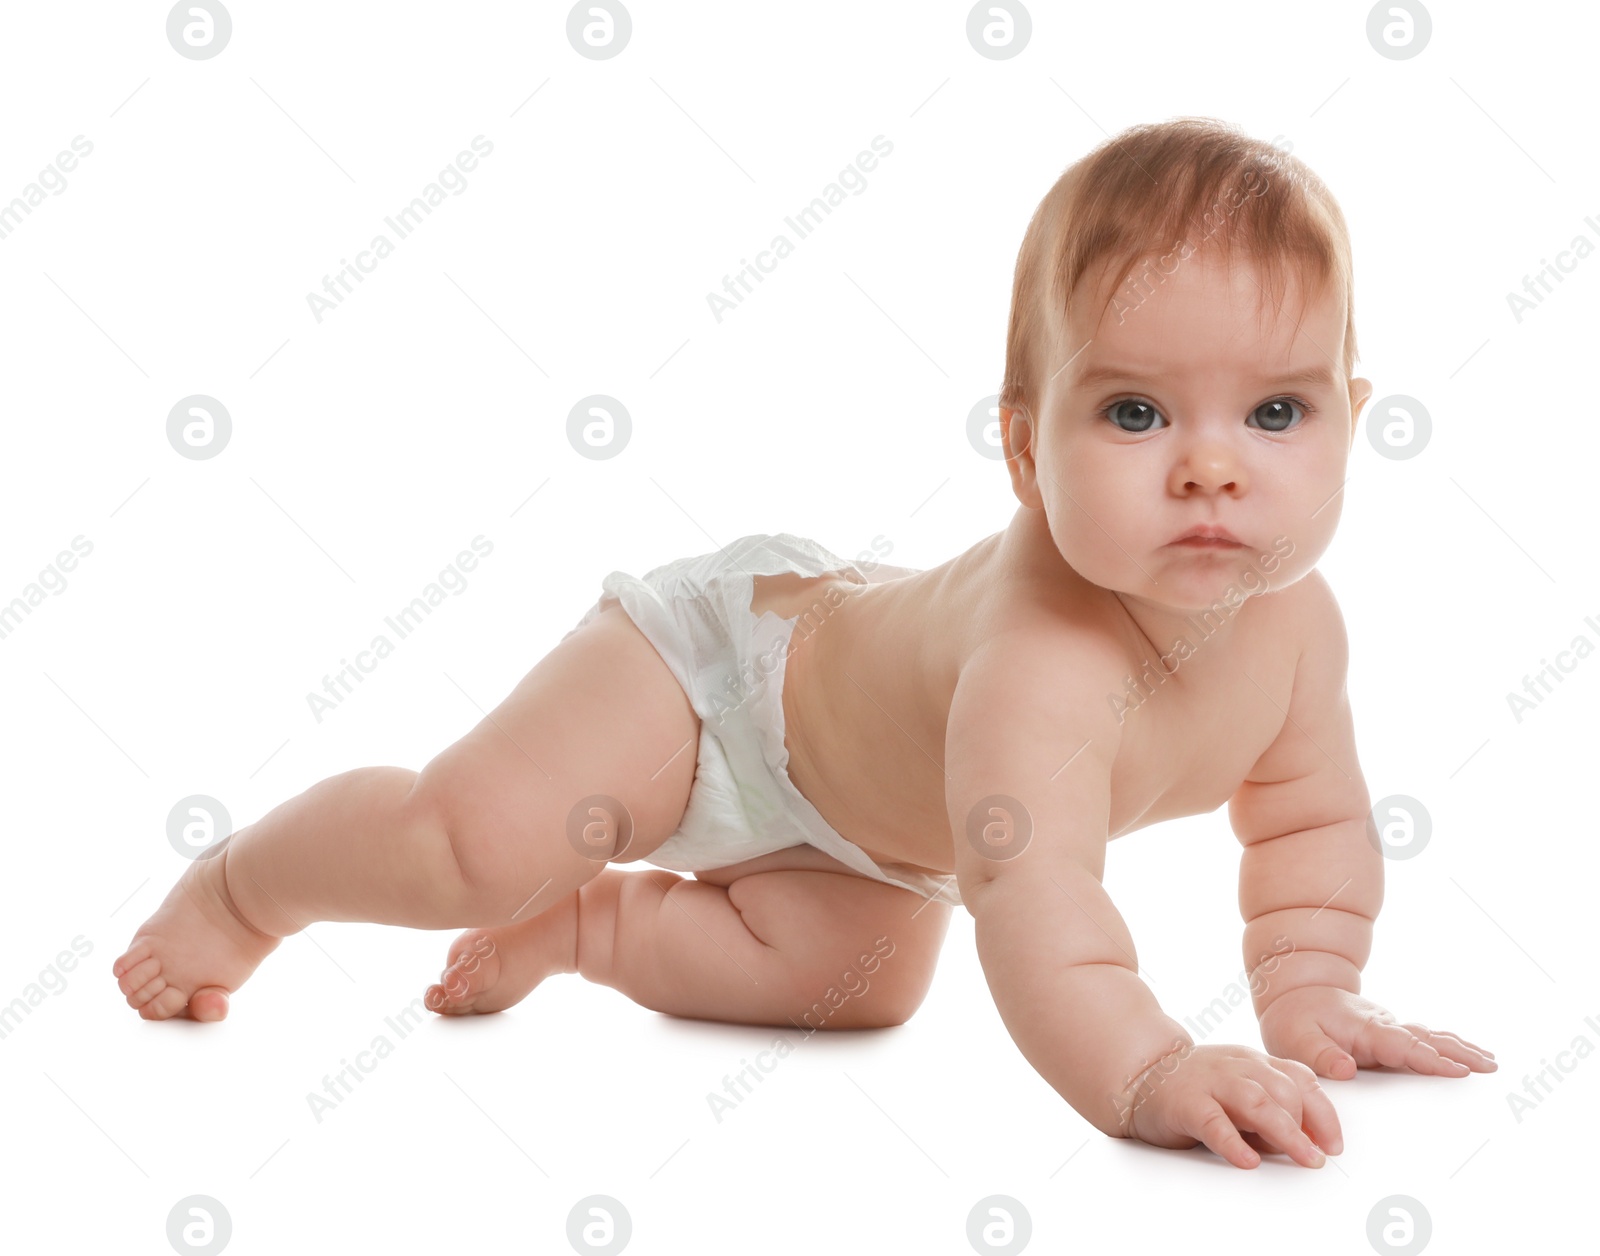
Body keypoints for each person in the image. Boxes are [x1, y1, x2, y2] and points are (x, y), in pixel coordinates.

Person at [113, 116, 1495, 1169]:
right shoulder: (1041, 663)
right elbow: (1039, 911)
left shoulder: (1300, 632)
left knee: (862, 987)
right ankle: (242, 889)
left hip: (871, 830)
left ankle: (587, 929)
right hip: (726, 688)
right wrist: (1148, 1073)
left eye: (1276, 415)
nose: (1210, 467)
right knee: (470, 842)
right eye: (1135, 415)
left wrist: (1315, 994)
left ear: (1352, 419)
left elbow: (1309, 828)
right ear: (1026, 448)